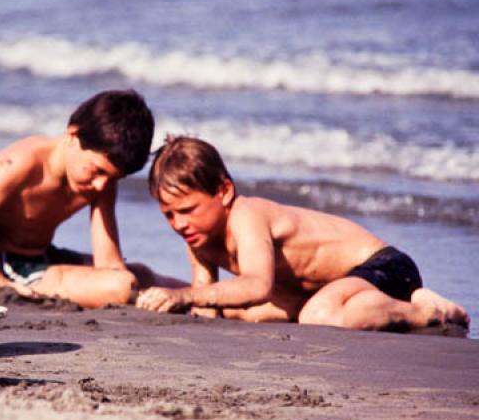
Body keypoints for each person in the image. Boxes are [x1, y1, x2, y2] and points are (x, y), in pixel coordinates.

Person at [136, 136, 469, 331]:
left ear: (223, 191)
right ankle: (379, 307)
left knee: (317, 316)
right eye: (168, 215)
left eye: (187, 210)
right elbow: (206, 300)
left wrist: (183, 296)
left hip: (383, 267)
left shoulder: (247, 214)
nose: (179, 224)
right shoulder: (199, 239)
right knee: (244, 311)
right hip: (331, 288)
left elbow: (256, 284)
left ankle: (426, 312)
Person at [0, 89, 180, 308]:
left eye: (113, 178)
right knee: (123, 286)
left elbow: (109, 262)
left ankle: (198, 297)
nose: (101, 184)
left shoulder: (102, 180)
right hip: (0, 266)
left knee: (140, 274)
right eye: (98, 171)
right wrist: (2, 285)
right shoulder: (23, 163)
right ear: (73, 136)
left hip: (44, 257)